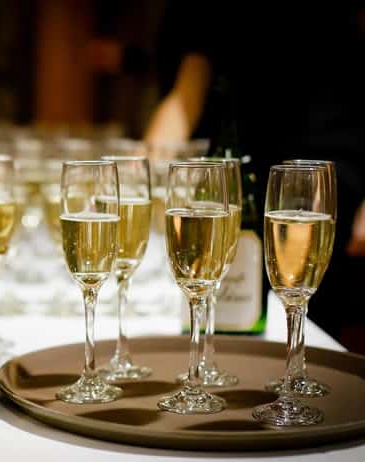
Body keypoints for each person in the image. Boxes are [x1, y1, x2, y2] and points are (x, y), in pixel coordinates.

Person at [143, 2, 365, 342]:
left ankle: (295, 386)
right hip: (236, 169)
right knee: (233, 311)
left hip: (324, 169)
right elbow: (191, 81)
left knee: (311, 313)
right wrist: (151, 165)